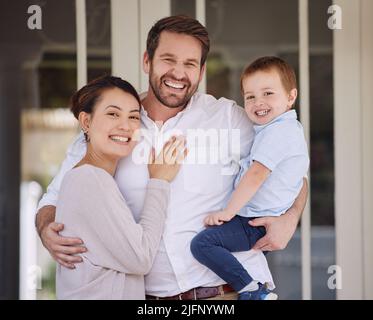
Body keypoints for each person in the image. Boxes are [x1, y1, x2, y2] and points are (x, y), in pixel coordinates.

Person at [35, 15, 308, 300]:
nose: (178, 73)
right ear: (147, 61)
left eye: (190, 64)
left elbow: (290, 168)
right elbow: (55, 198)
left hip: (228, 293)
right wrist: (46, 229)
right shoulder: (112, 129)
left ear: (201, 72)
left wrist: (290, 217)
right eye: (168, 59)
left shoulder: (228, 118)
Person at [54, 75, 185, 299]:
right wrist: (159, 182)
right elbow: (141, 257)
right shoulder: (89, 179)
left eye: (134, 117)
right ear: (86, 122)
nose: (125, 126)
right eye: (113, 114)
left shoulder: (91, 178)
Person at [190, 56, 310, 300]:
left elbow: (257, 174)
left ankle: (253, 290)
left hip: (253, 220)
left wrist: (228, 212)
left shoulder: (279, 131)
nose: (259, 102)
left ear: (291, 97)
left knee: (203, 245)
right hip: (260, 217)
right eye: (250, 96)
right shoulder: (277, 129)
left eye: (268, 93)